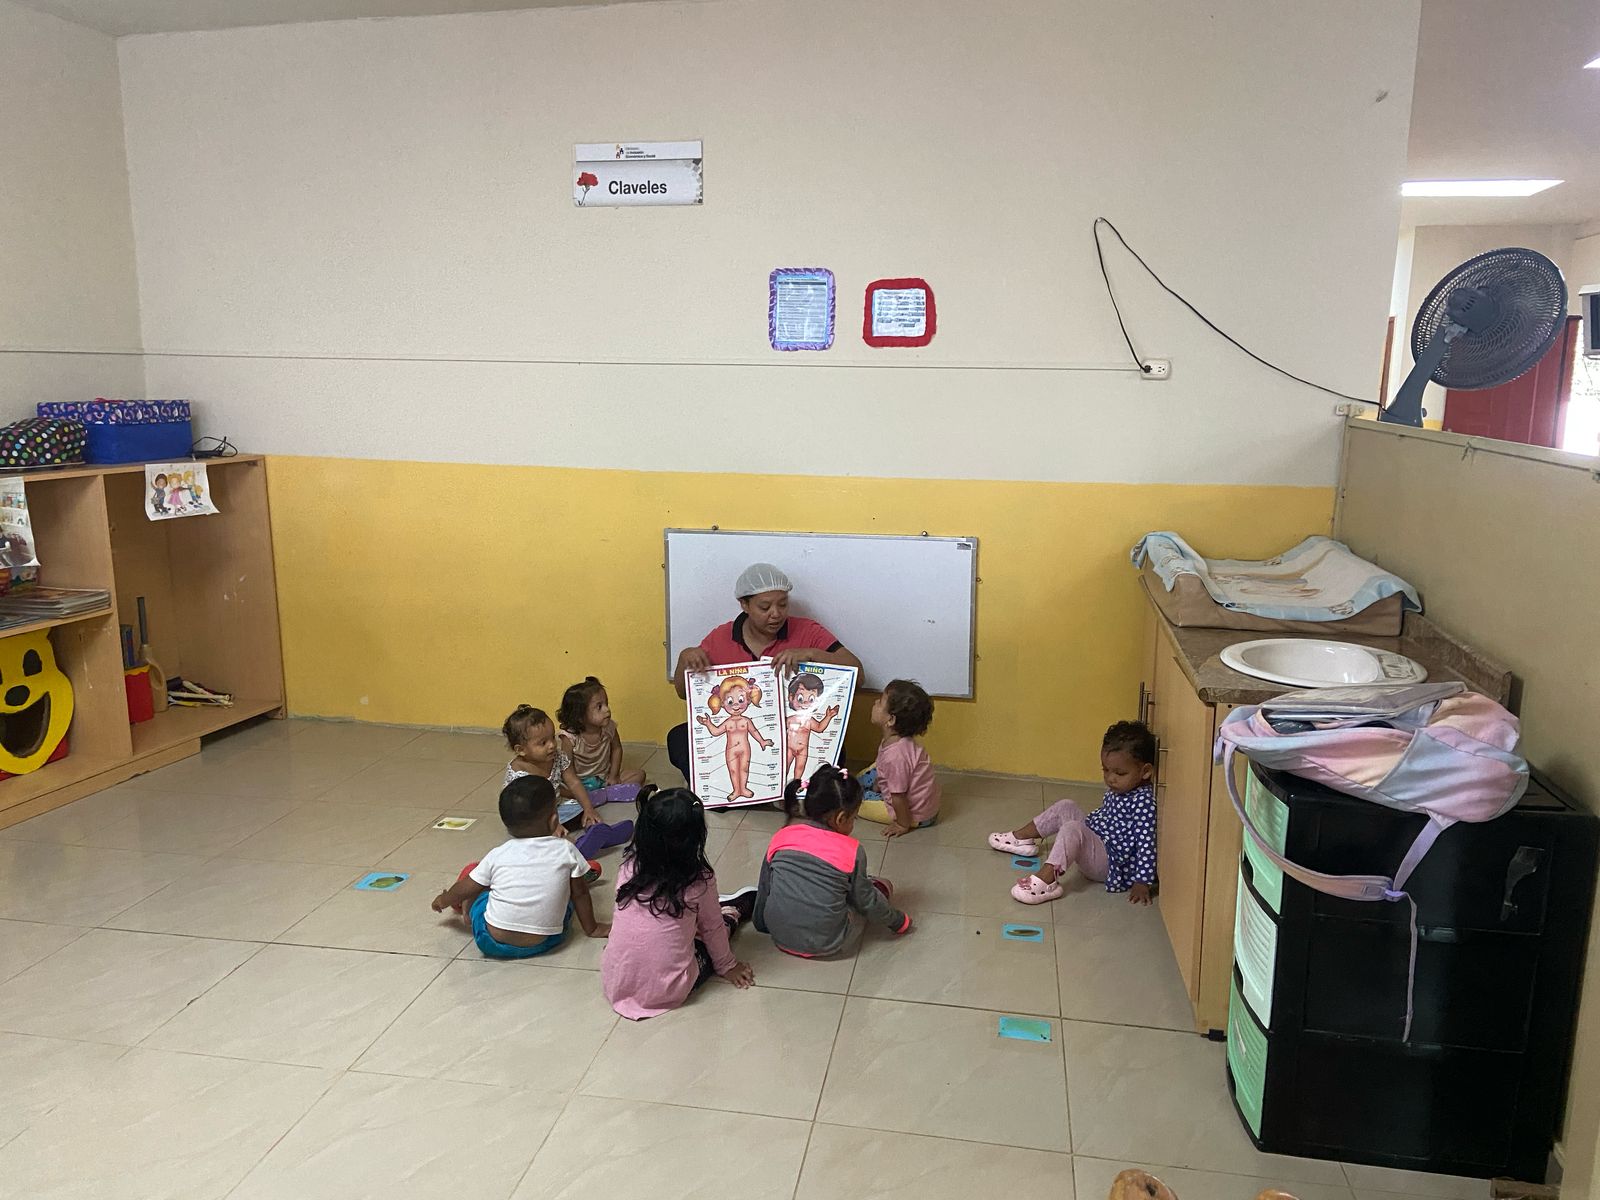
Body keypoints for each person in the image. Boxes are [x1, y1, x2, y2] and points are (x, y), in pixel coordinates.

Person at [666, 563, 861, 783]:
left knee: (836, 752)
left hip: (791, 732)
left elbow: (858, 674)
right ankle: (721, 790)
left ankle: (795, 790)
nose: (776, 614)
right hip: (741, 735)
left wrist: (811, 654)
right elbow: (684, 693)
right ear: (744, 605)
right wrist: (685, 658)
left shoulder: (808, 631)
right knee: (679, 738)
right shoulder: (722, 636)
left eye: (783, 605)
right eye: (765, 607)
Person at [601, 785, 757, 1019]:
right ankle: (733, 910)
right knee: (719, 927)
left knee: (675, 927)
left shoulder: (629, 866)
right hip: (668, 990)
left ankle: (717, 910)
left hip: (616, 981)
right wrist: (728, 966)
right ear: (695, 838)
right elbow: (712, 928)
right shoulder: (699, 881)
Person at [431, 775, 610, 959]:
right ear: (554, 820)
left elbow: (464, 887)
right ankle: (574, 876)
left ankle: (468, 907)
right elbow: (581, 894)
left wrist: (443, 900)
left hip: (491, 942)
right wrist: (593, 928)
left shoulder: (498, 854)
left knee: (479, 890)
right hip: (547, 941)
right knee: (569, 899)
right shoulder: (566, 849)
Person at [987, 720, 1157, 906]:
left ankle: (1047, 881)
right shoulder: (1124, 788)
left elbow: (1146, 843)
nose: (1110, 778)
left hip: (1111, 863)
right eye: (1106, 770)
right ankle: (1021, 838)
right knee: (1066, 806)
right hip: (1100, 842)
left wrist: (1142, 881)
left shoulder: (1144, 802)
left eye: (1120, 773)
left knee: (1072, 829)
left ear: (1145, 771)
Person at [754, 764, 913, 957]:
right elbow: (866, 901)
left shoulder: (781, 836)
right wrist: (899, 921)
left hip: (779, 935)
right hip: (827, 943)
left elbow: (764, 886)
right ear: (840, 819)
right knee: (880, 886)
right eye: (854, 818)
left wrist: (761, 924)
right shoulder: (852, 851)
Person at [502, 703, 632, 867]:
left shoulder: (556, 757)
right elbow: (529, 810)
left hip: (555, 809)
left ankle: (600, 833)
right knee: (548, 835)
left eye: (552, 738)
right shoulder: (520, 774)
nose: (551, 745)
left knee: (581, 807)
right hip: (530, 819)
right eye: (543, 743)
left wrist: (588, 809)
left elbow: (574, 781)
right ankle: (574, 849)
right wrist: (552, 825)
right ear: (521, 750)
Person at [857, 678, 940, 837]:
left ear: (891, 720)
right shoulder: (897, 741)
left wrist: (902, 824)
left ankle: (903, 820)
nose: (875, 703)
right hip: (922, 803)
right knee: (865, 775)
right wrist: (880, 783)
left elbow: (898, 796)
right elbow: (886, 769)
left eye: (880, 702)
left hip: (915, 815)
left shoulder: (896, 756)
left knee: (854, 801)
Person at [557, 676, 646, 796]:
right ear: (579, 715)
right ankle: (599, 794)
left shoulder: (609, 727)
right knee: (556, 789)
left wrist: (614, 775)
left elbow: (617, 749)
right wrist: (575, 785)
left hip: (604, 777)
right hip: (579, 781)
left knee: (639, 775)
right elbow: (566, 766)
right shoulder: (570, 737)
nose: (607, 710)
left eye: (606, 704)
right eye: (599, 707)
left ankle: (602, 793)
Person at [784, 672, 840, 784]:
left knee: (800, 768)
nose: (805, 702)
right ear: (791, 697)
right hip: (789, 748)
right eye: (800, 698)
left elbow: (819, 728)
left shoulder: (809, 721)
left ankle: (796, 784)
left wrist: (828, 716)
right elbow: (778, 728)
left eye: (811, 699)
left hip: (802, 750)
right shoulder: (790, 719)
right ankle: (781, 784)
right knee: (785, 766)